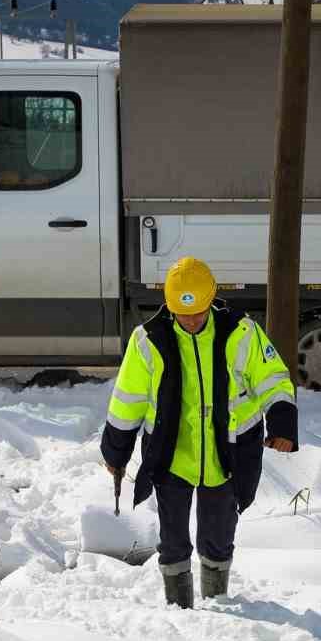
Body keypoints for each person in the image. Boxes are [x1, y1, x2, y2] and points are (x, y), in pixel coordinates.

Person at [102, 257, 297, 607]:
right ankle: (180, 610)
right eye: (182, 313)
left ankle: (216, 602)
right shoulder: (148, 340)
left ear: (211, 302)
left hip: (227, 454)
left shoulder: (241, 332)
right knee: (173, 539)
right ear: (170, 307)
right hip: (173, 455)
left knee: (219, 536)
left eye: (198, 312)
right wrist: (116, 453)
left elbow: (273, 379)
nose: (191, 321)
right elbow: (126, 400)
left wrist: (282, 420)